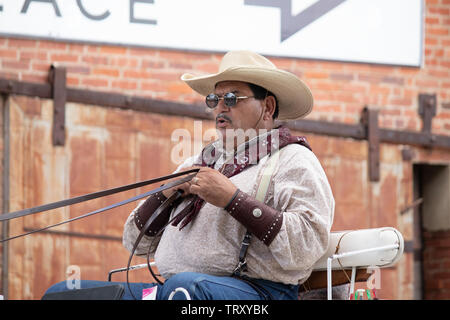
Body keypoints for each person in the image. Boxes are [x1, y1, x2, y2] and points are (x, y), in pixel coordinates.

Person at [43, 50, 335, 300]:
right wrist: (166, 193)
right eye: (214, 99)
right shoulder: (200, 161)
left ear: (267, 107)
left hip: (256, 293)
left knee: (182, 290)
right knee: (62, 293)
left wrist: (232, 199)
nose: (219, 108)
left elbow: (306, 246)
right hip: (176, 290)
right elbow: (135, 242)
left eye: (232, 98)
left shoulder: (293, 159)